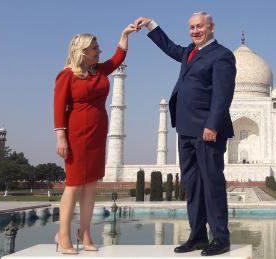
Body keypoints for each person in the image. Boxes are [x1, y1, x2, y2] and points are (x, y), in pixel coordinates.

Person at [135, 12, 236, 256]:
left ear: (211, 27)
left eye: (199, 26)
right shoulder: (190, 52)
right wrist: (151, 25)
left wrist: (212, 125)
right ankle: (198, 235)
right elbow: (170, 47)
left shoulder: (222, 55)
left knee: (211, 184)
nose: (195, 31)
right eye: (191, 27)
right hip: (186, 129)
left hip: (207, 130)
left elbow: (223, 95)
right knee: (192, 184)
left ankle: (221, 239)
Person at [53, 24, 136, 254]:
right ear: (83, 51)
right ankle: (63, 234)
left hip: (98, 131)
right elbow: (59, 106)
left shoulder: (98, 71)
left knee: (91, 186)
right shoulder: (67, 74)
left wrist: (124, 35)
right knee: (73, 185)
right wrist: (61, 137)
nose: (99, 51)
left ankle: (85, 232)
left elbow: (118, 58)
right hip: (76, 133)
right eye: (95, 48)